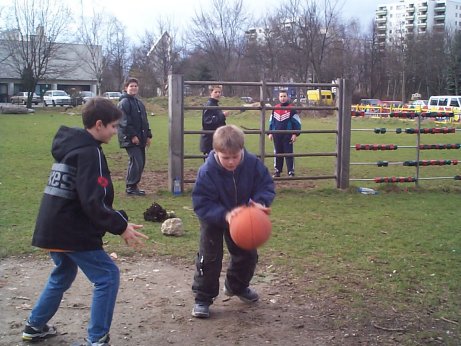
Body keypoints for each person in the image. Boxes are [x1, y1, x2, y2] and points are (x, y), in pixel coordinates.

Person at [22, 97, 149, 346]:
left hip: (53, 228)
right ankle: (97, 339)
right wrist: (120, 225)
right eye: (113, 126)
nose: (115, 132)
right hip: (71, 230)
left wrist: (117, 219)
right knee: (107, 276)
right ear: (99, 125)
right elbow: (93, 201)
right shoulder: (89, 153)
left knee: (63, 273)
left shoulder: (72, 148)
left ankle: (34, 326)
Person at [191, 125, 276, 318]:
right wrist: (225, 215)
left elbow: (266, 185)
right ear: (216, 152)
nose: (231, 162)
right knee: (209, 258)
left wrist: (259, 203)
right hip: (214, 218)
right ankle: (203, 298)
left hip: (245, 218)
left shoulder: (253, 164)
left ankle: (237, 286)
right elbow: (201, 203)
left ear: (242, 150)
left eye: (235, 157)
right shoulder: (207, 171)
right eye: (225, 157)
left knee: (248, 256)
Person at [118, 77, 152, 196]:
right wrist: (132, 135)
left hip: (140, 138)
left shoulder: (138, 103)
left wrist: (148, 135)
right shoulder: (124, 103)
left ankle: (133, 186)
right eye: (131, 86)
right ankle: (130, 187)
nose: (133, 88)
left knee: (141, 162)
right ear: (126, 88)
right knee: (136, 161)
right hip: (130, 138)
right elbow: (124, 121)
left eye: (135, 86)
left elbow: (144, 121)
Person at [268, 90, 302, 177]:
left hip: (287, 136)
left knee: (288, 153)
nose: (283, 98)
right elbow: (271, 122)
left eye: (284, 96)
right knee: (278, 153)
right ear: (278, 97)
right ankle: (277, 170)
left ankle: (291, 171)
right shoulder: (275, 108)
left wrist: (295, 134)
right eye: (281, 96)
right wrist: (270, 133)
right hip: (277, 135)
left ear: (287, 97)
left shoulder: (292, 109)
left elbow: (297, 123)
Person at [199, 84, 229, 159]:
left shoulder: (215, 105)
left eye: (219, 92)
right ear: (211, 93)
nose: (218, 94)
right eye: (216, 92)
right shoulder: (209, 105)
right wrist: (222, 116)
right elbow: (207, 122)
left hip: (214, 139)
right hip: (210, 140)